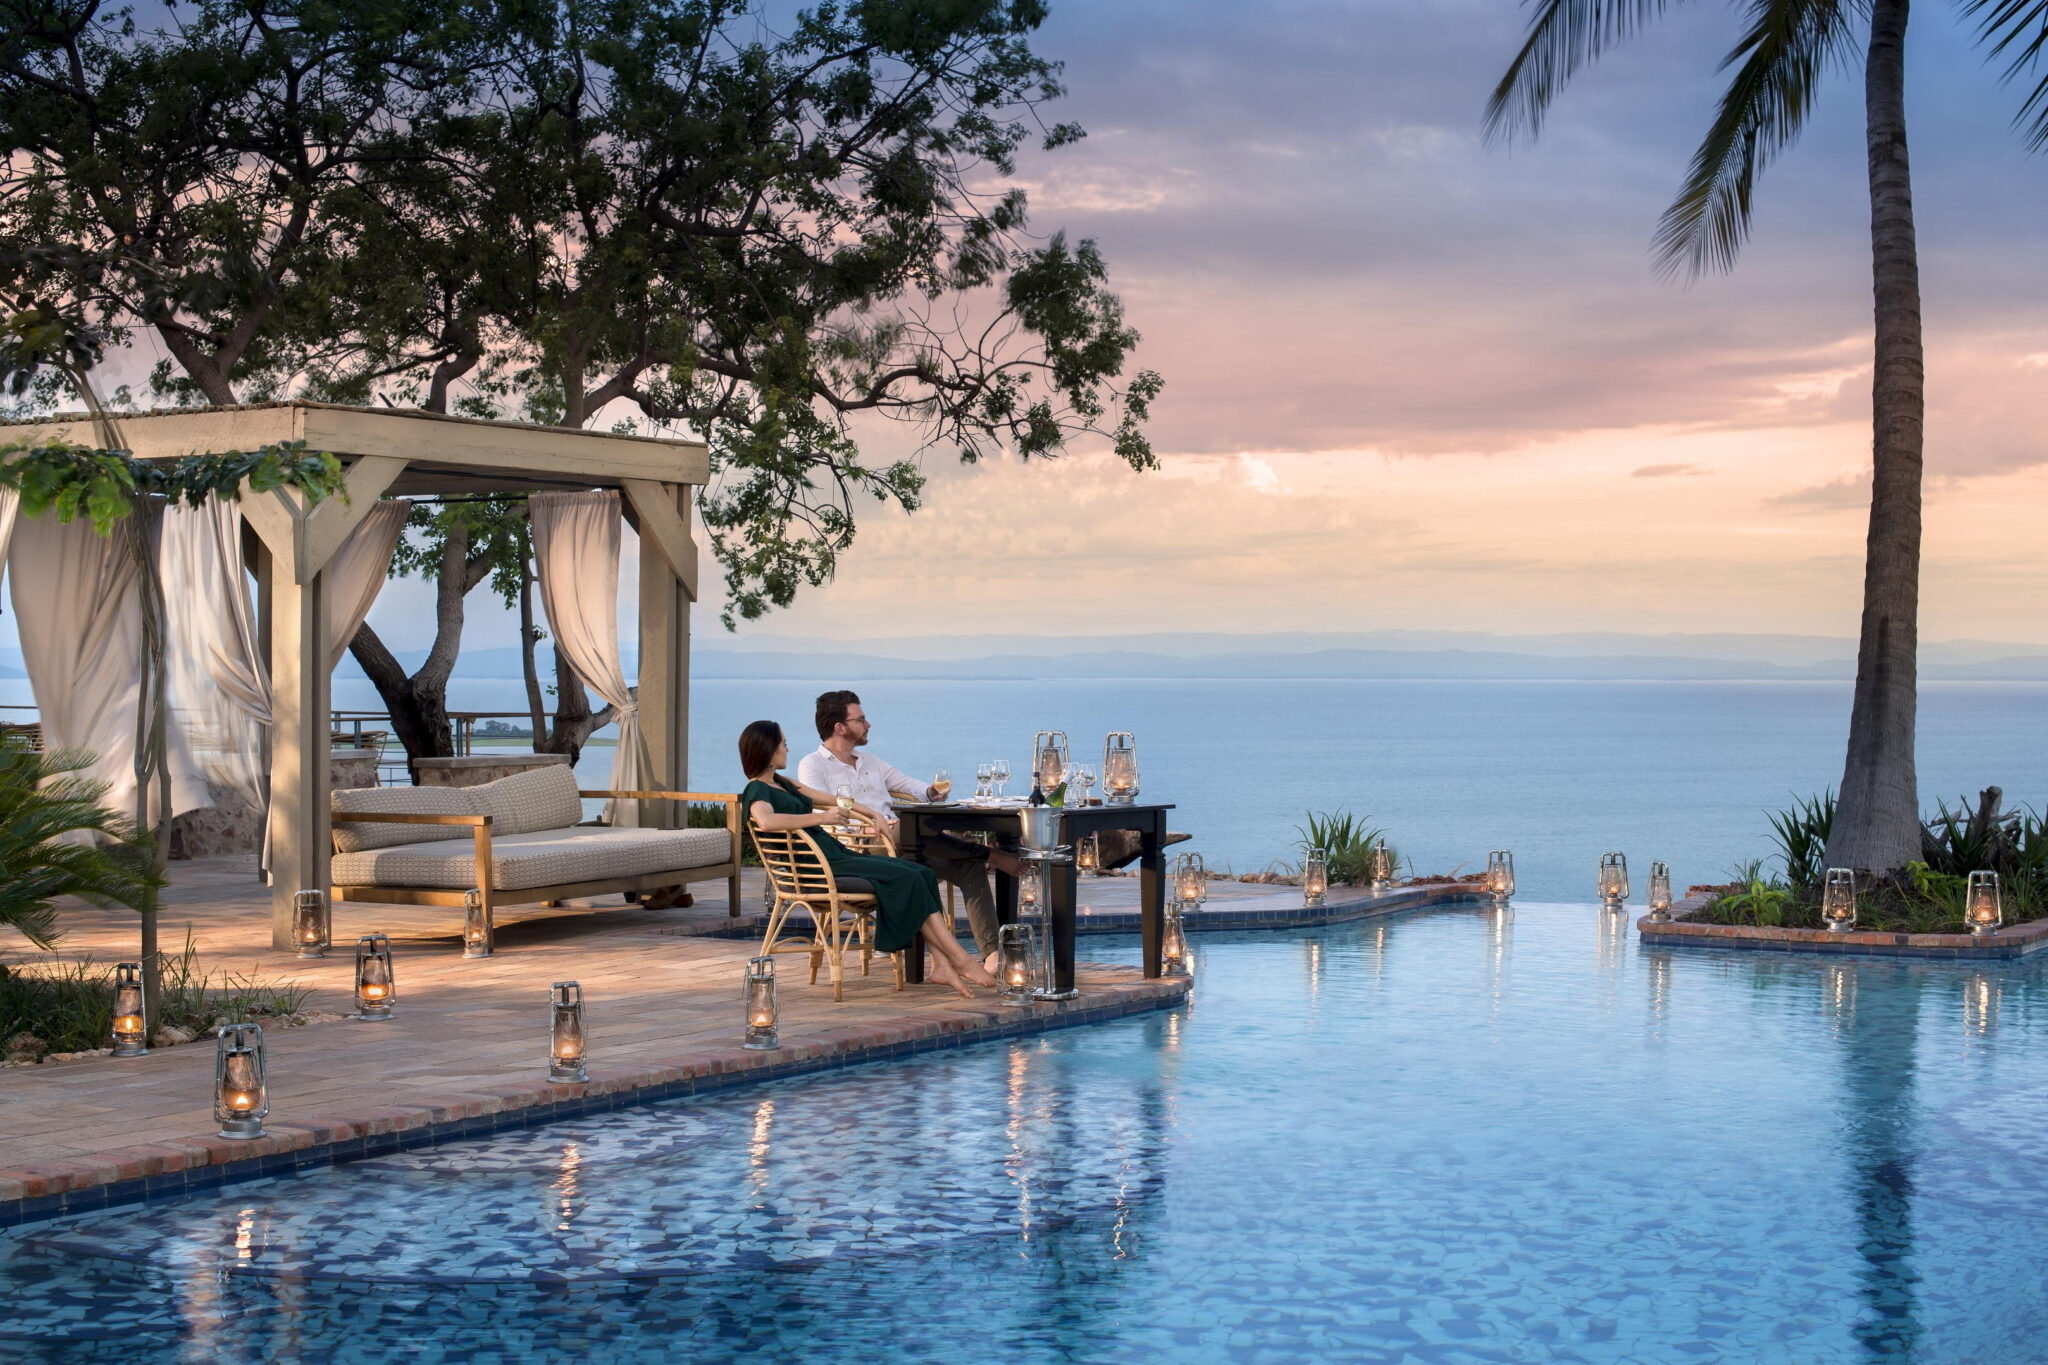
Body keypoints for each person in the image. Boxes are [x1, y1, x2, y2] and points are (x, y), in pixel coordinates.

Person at [740, 719, 998, 998]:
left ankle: (942, 964)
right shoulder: (757, 789)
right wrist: (820, 818)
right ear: (767, 749)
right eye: (782, 743)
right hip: (816, 867)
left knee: (920, 873)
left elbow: (832, 800)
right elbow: (765, 821)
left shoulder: (783, 783)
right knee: (909, 875)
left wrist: (873, 814)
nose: (786, 747)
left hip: (834, 854)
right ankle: (961, 960)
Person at [796, 689, 1017, 969]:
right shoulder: (812, 765)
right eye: (860, 719)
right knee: (910, 829)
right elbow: (823, 814)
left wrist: (930, 791)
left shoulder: (870, 761)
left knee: (968, 868)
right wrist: (865, 826)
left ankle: (992, 957)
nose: (868, 724)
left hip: (902, 845)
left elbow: (907, 784)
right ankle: (989, 854)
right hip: (859, 849)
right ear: (839, 728)